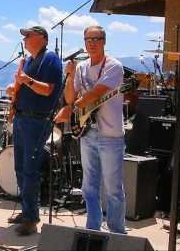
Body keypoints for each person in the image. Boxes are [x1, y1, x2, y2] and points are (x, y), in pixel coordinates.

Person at [55, 25, 126, 234]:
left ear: (104, 41)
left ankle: (117, 233)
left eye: (96, 39)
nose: (92, 43)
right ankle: (92, 229)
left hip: (110, 134)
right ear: (84, 42)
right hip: (87, 132)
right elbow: (70, 96)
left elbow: (96, 93)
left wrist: (70, 109)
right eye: (88, 39)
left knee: (113, 188)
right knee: (89, 186)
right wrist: (69, 75)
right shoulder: (81, 67)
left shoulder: (114, 66)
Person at [5, 26, 62, 236]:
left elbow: (48, 90)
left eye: (29, 35)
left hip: (38, 121)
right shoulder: (28, 61)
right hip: (22, 117)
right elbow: (25, 87)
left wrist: (25, 81)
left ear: (42, 38)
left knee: (30, 169)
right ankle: (27, 210)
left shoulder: (51, 59)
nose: (25, 39)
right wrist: (14, 89)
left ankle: (31, 218)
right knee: (20, 167)